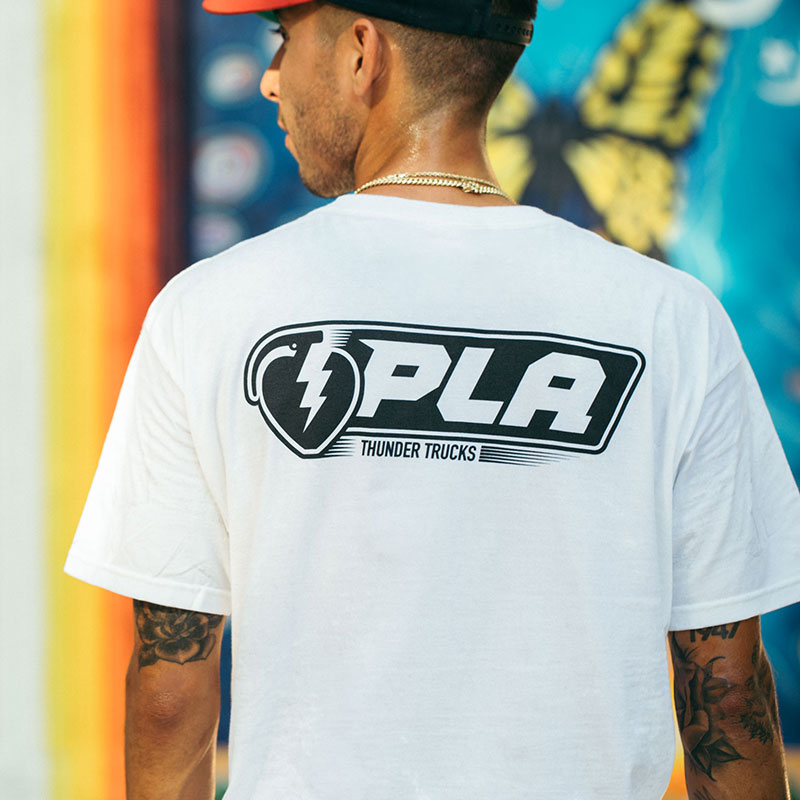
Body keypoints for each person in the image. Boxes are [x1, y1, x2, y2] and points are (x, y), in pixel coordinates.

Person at [64, 0, 800, 797]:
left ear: (361, 52)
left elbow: (169, 693)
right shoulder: (671, 319)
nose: (271, 79)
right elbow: (728, 698)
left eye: (285, 38)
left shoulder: (209, 309)